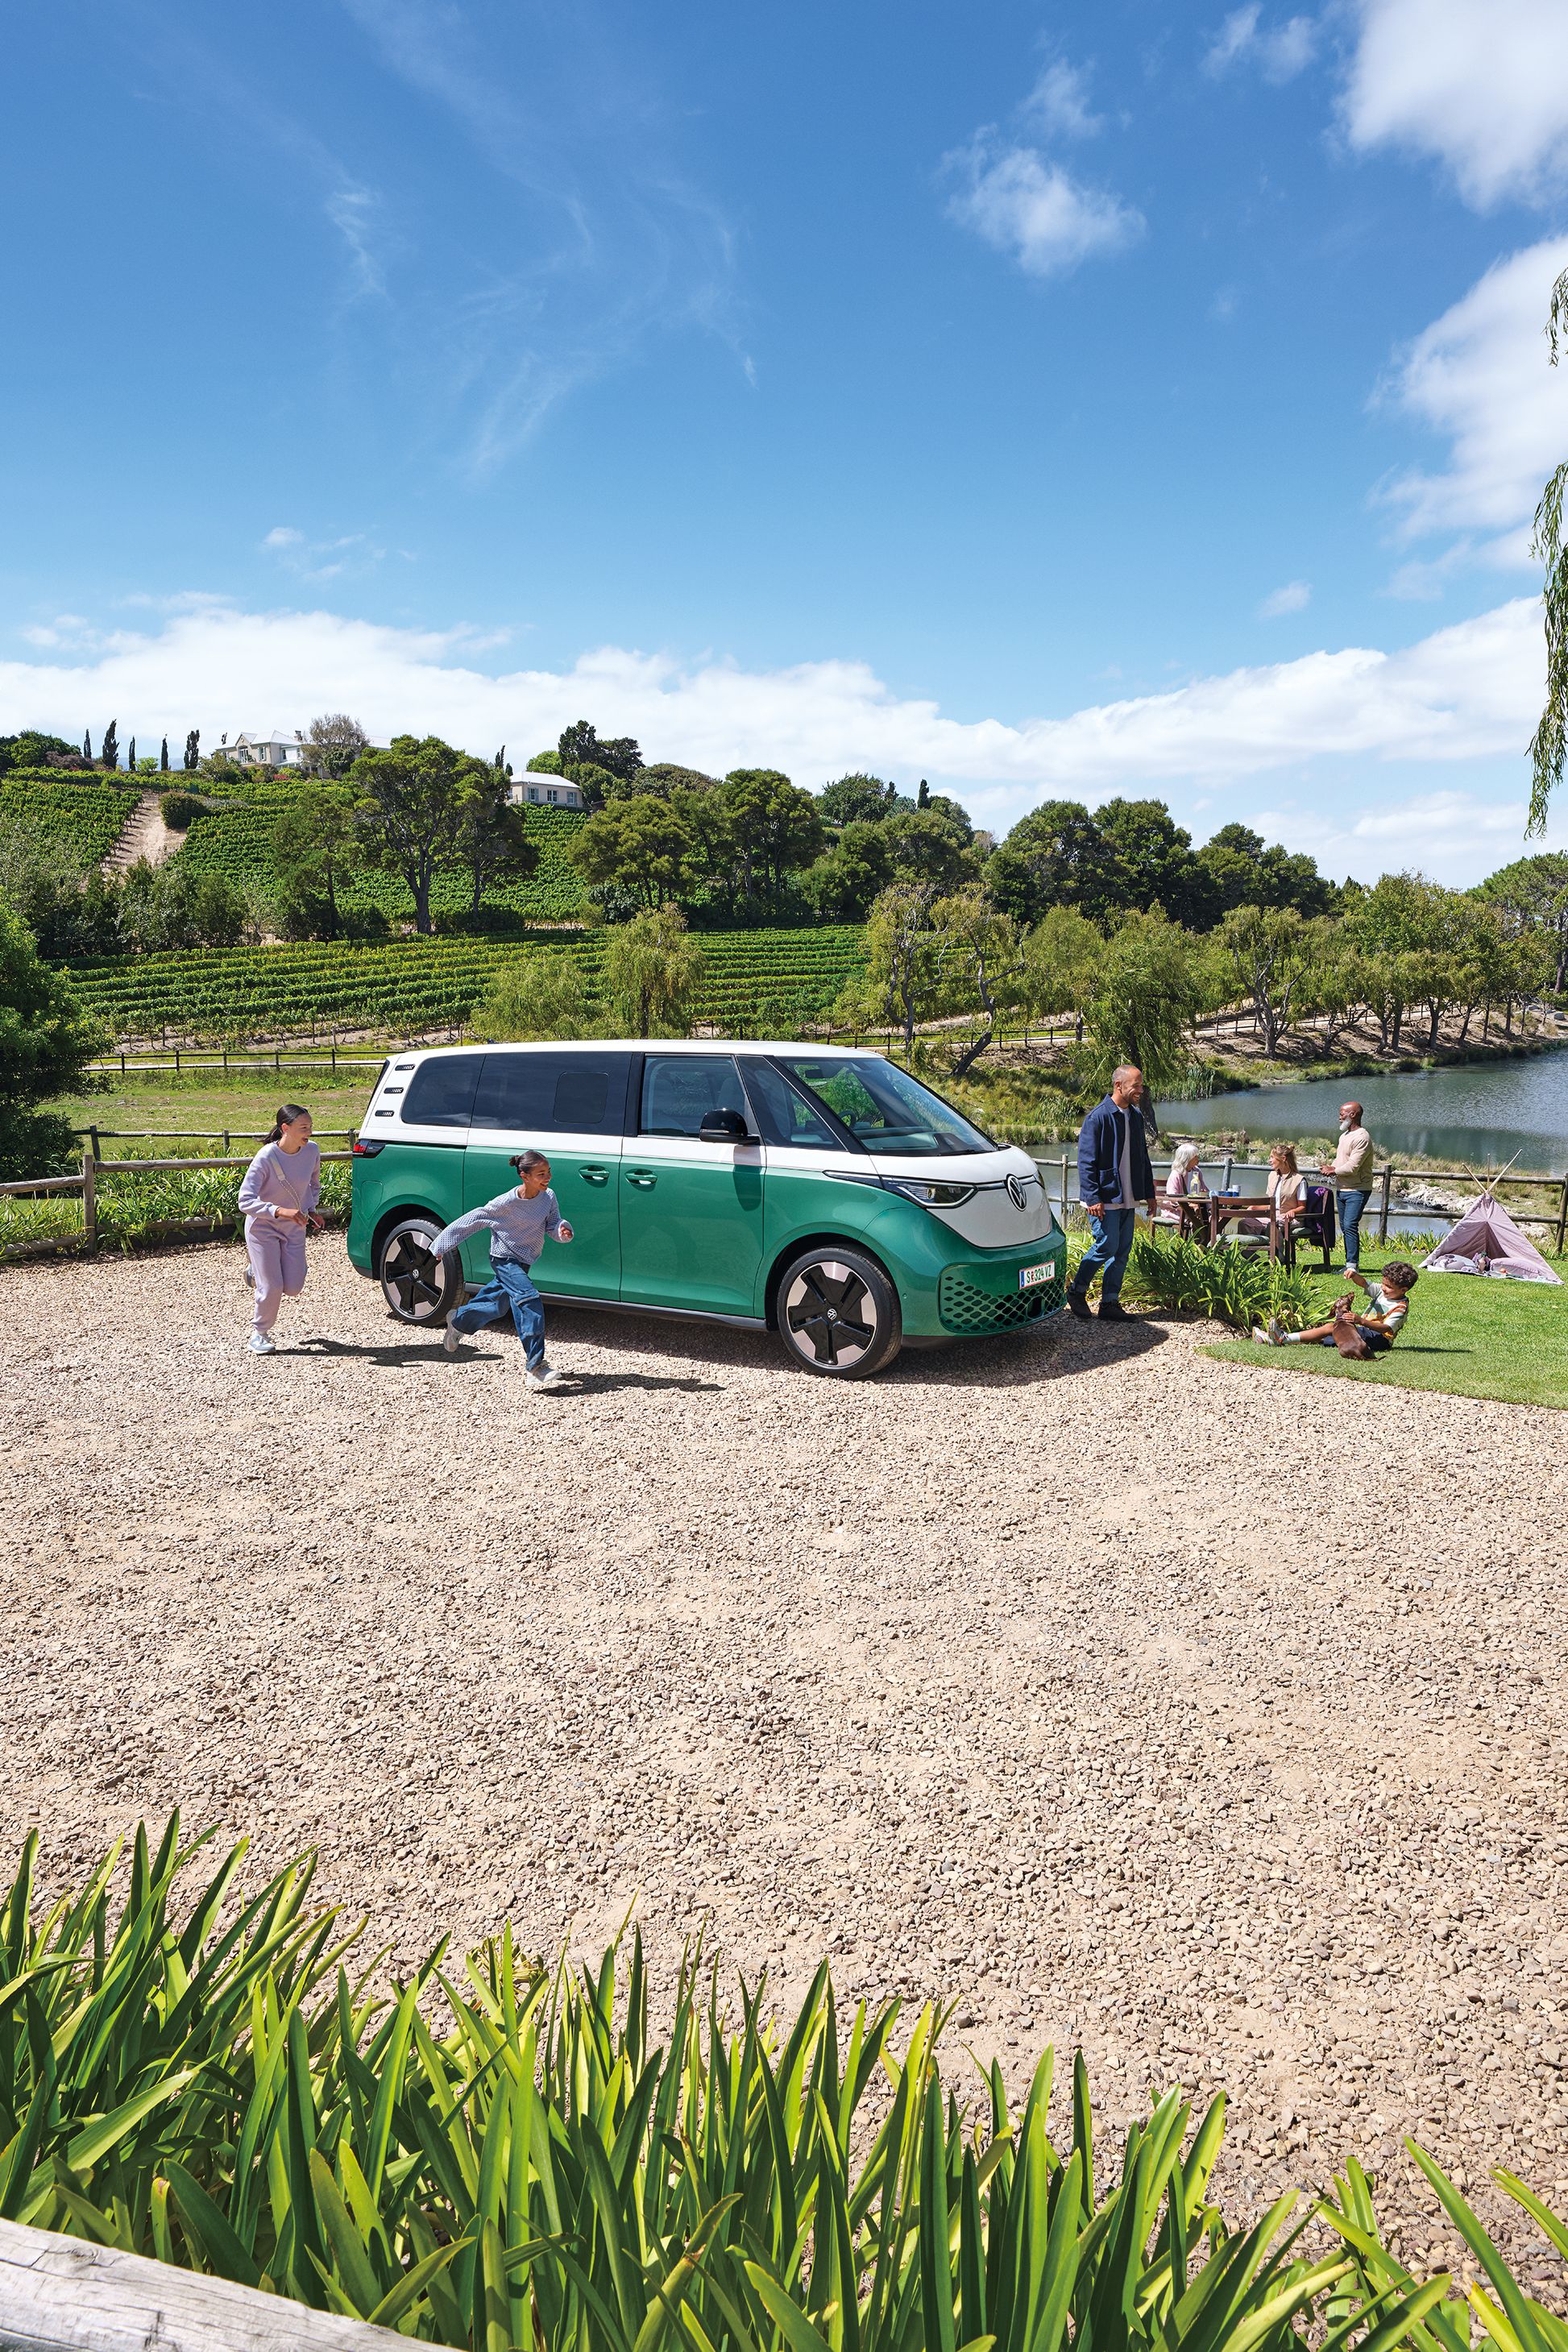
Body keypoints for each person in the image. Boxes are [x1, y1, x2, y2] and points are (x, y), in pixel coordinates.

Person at [428, 1150, 576, 1392]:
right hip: (504, 1259)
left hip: (525, 1260)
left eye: (548, 1172)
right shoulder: (504, 1204)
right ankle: (535, 1367)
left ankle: (459, 1321)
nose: (547, 1177)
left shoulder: (548, 1196)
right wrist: (440, 1246)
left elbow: (552, 1223)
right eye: (540, 1173)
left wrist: (561, 1230)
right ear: (524, 1175)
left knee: (497, 1305)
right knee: (529, 1300)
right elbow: (470, 1221)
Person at [1067, 1063, 1156, 1322]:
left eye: (1141, 1085)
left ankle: (1109, 1303)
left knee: (1122, 1251)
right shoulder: (1098, 1117)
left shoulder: (1136, 1116)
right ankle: (1076, 1291)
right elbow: (1086, 1161)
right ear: (1119, 1085)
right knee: (1107, 1245)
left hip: (1128, 1197)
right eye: (1136, 1085)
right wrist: (1093, 1197)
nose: (1141, 1090)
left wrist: (1149, 1193)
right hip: (1105, 1198)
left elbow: (1143, 1158)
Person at [238, 1104, 321, 1356]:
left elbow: (313, 1185)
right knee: (273, 1287)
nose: (309, 1132)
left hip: (295, 1226)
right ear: (285, 1128)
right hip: (262, 1227)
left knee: (294, 1287)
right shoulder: (266, 1157)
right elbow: (245, 1200)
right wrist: (279, 1211)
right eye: (303, 1128)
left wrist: (312, 1210)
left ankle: (257, 1272)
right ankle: (259, 1334)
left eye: (310, 1127)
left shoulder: (312, 1151)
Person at [1260, 1260, 1417, 1354]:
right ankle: (1278, 1340)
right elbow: (1364, 1283)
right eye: (1383, 1283)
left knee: (1332, 1327)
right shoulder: (1383, 1292)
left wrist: (1361, 1321)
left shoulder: (1400, 1307)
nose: (1383, 1288)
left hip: (1380, 1340)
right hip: (1366, 1332)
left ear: (1403, 1290)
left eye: (1388, 1286)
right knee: (1327, 1336)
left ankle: (1283, 1338)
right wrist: (1354, 1275)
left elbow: (1385, 1328)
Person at [1320, 1101, 1375, 1274]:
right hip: (1342, 1188)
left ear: (1353, 1115)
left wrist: (1333, 1170)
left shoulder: (1362, 1137)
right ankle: (1350, 1263)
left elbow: (1353, 1167)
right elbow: (1341, 1161)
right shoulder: (1344, 1136)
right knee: (1344, 1227)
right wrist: (1330, 1166)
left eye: (1342, 1113)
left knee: (1350, 1225)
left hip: (1358, 1189)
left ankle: (1352, 1266)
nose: (1339, 1117)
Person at [1239, 1142, 1308, 1238]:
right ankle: (1250, 1251)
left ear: (1283, 1159)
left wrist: (1293, 1212)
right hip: (1272, 1215)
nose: (1269, 1160)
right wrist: (1254, 1208)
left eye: (1272, 1157)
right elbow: (1271, 1204)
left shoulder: (1299, 1180)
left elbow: (1303, 1207)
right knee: (1245, 1222)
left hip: (1291, 1219)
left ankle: (1277, 1252)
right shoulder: (1272, 1176)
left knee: (1272, 1224)